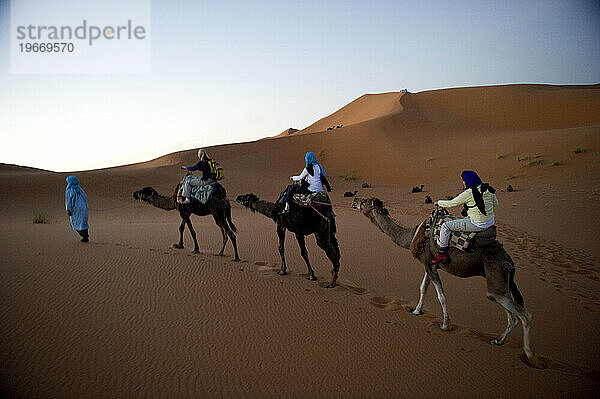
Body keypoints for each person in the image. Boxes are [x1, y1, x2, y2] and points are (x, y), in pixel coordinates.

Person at [432, 170, 498, 264]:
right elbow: (496, 204)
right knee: (465, 219)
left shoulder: (469, 193)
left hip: (478, 224)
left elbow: (452, 203)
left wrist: (438, 203)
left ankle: (442, 253)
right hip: (490, 222)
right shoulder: (488, 189)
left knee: (445, 226)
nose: (463, 183)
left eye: (463, 180)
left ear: (467, 180)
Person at [65, 175, 89, 242]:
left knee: (76, 223)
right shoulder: (80, 189)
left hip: (76, 209)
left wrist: (68, 209)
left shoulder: (69, 190)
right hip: (84, 208)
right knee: (83, 223)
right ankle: (85, 236)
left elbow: (68, 201)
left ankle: (84, 236)